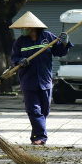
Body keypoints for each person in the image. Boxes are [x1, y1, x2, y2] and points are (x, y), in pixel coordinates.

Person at [9, 12, 73, 145]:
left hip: (45, 81)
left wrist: (65, 43)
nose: (22, 30)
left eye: (25, 28)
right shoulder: (20, 42)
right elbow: (14, 58)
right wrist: (20, 61)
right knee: (34, 110)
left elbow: (59, 51)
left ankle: (36, 136)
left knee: (44, 111)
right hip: (28, 81)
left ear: (33, 28)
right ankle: (41, 137)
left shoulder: (48, 37)